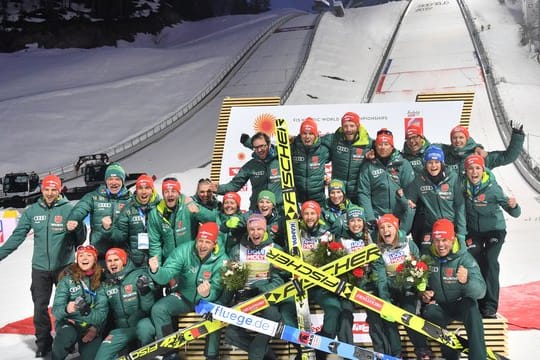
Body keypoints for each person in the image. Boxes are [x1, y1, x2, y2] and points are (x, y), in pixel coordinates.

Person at [0, 174, 86, 358]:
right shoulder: (32, 211)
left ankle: (68, 340)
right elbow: (17, 237)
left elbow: (80, 239)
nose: (49, 193)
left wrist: (77, 227)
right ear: (42, 189)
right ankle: (44, 343)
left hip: (65, 267)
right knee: (40, 307)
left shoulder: (68, 210)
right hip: (40, 268)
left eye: (53, 189)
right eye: (46, 189)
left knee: (66, 305)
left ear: (59, 190)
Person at [138, 222, 226, 360]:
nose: (202, 246)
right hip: (184, 297)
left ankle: (211, 355)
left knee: (216, 315)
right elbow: (167, 273)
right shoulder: (184, 250)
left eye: (207, 242)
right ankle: (168, 352)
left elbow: (217, 289)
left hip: (207, 303)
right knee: (159, 309)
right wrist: (156, 271)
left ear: (214, 244)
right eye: (200, 241)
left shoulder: (222, 260)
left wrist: (207, 295)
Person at [463, 154, 521, 318]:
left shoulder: (493, 187)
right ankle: (476, 300)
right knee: (472, 259)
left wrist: (514, 205)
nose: (474, 172)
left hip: (494, 230)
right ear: (466, 171)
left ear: (483, 169)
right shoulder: (462, 185)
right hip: (474, 232)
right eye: (470, 168)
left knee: (489, 260)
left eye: (477, 168)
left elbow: (515, 212)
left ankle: (490, 306)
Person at [420, 218, 487, 360]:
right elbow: (421, 284)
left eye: (444, 240)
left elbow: (481, 291)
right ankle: (450, 355)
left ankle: (478, 357)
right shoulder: (427, 257)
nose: (440, 245)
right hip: (439, 306)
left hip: (460, 304)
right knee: (429, 312)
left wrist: (467, 281)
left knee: (472, 307)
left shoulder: (465, 259)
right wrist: (424, 294)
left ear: (452, 239)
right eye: (437, 240)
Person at [224, 214, 285, 360]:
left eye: (259, 229)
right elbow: (229, 279)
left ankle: (256, 354)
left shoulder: (275, 249)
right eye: (252, 229)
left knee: (273, 317)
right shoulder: (238, 249)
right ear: (248, 230)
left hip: (266, 296)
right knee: (231, 333)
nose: (255, 233)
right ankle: (268, 356)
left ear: (265, 230)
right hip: (244, 297)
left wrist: (261, 289)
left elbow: (280, 281)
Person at [374, 214, 431, 359]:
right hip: (390, 290)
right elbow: (380, 279)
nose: (385, 230)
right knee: (388, 316)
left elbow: (421, 266)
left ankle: (422, 350)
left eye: (389, 226)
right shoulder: (378, 249)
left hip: (408, 289)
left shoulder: (408, 243)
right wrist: (385, 300)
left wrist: (421, 287)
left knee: (408, 314)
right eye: (382, 228)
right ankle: (396, 354)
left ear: (396, 227)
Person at [297, 201, 341, 360]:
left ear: (318, 215)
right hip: (300, 284)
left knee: (334, 308)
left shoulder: (326, 233)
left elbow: (334, 258)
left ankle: (320, 348)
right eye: (306, 213)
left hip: (319, 283)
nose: (309, 217)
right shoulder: (294, 232)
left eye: (312, 213)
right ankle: (304, 349)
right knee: (288, 312)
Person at [95, 248, 155, 360]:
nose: (112, 263)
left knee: (144, 328)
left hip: (142, 323)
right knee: (101, 356)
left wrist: (145, 292)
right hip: (121, 330)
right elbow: (100, 313)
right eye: (109, 261)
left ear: (123, 260)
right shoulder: (105, 285)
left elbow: (148, 308)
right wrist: (87, 315)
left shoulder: (139, 275)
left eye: (116, 259)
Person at [51, 245, 109, 360]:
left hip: (90, 325)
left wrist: (95, 328)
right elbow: (55, 311)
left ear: (95, 259)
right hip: (70, 323)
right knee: (66, 335)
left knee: (92, 356)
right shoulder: (67, 280)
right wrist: (66, 309)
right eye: (81, 256)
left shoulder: (102, 280)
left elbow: (102, 313)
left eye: (88, 255)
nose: (84, 258)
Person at [405, 145, 466, 254]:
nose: (433, 166)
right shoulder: (419, 179)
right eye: (430, 162)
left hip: (451, 225)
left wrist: (461, 233)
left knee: (455, 253)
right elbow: (409, 199)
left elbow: (460, 206)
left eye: (437, 162)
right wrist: (405, 198)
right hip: (432, 225)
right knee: (425, 251)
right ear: (425, 164)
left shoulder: (453, 178)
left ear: (442, 163)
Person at [67, 162, 132, 263]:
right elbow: (80, 208)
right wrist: (73, 219)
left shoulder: (130, 199)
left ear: (123, 181)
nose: (114, 182)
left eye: (117, 179)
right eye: (110, 179)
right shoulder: (94, 196)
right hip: (100, 254)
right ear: (106, 181)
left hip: (123, 254)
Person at [357, 128, 415, 234]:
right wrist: (371, 218)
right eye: (380, 144)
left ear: (392, 146)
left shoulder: (403, 164)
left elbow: (411, 192)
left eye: (386, 144)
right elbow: (363, 193)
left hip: (399, 219)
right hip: (378, 219)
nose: (383, 147)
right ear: (375, 146)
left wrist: (405, 223)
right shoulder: (368, 166)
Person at [147, 177, 216, 265]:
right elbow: (154, 244)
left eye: (173, 191)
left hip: (190, 260)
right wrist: (157, 266)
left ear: (179, 193)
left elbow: (212, 220)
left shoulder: (188, 204)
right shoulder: (156, 214)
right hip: (170, 262)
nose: (170, 194)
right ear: (163, 194)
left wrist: (199, 211)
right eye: (166, 191)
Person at [213, 131, 282, 210]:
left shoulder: (281, 158)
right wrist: (217, 189)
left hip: (280, 209)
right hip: (258, 210)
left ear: (269, 144)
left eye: (262, 146)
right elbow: (234, 185)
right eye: (256, 148)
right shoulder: (250, 166)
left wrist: (294, 141)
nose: (259, 150)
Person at [107, 174, 160, 268]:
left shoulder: (160, 207)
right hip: (136, 263)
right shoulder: (128, 209)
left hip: (158, 260)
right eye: (140, 188)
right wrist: (109, 229)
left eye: (147, 188)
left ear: (152, 190)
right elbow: (119, 238)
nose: (143, 192)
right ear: (136, 190)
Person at [321, 111, 373, 204]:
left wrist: (372, 158)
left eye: (352, 126)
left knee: (357, 217)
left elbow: (386, 150)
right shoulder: (334, 139)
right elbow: (314, 140)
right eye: (345, 126)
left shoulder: (368, 143)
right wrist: (295, 139)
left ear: (357, 126)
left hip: (359, 192)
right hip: (339, 192)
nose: (348, 129)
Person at [440, 122, 525, 174]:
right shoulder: (447, 153)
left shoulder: (480, 156)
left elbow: (507, 157)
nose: (458, 140)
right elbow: (431, 147)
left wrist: (517, 136)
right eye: (454, 138)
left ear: (467, 139)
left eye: (461, 137)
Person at [291, 117, 331, 205]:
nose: (307, 137)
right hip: (297, 199)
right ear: (300, 134)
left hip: (318, 199)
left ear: (316, 135)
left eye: (311, 134)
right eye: (304, 133)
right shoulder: (292, 148)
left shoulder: (323, 150)